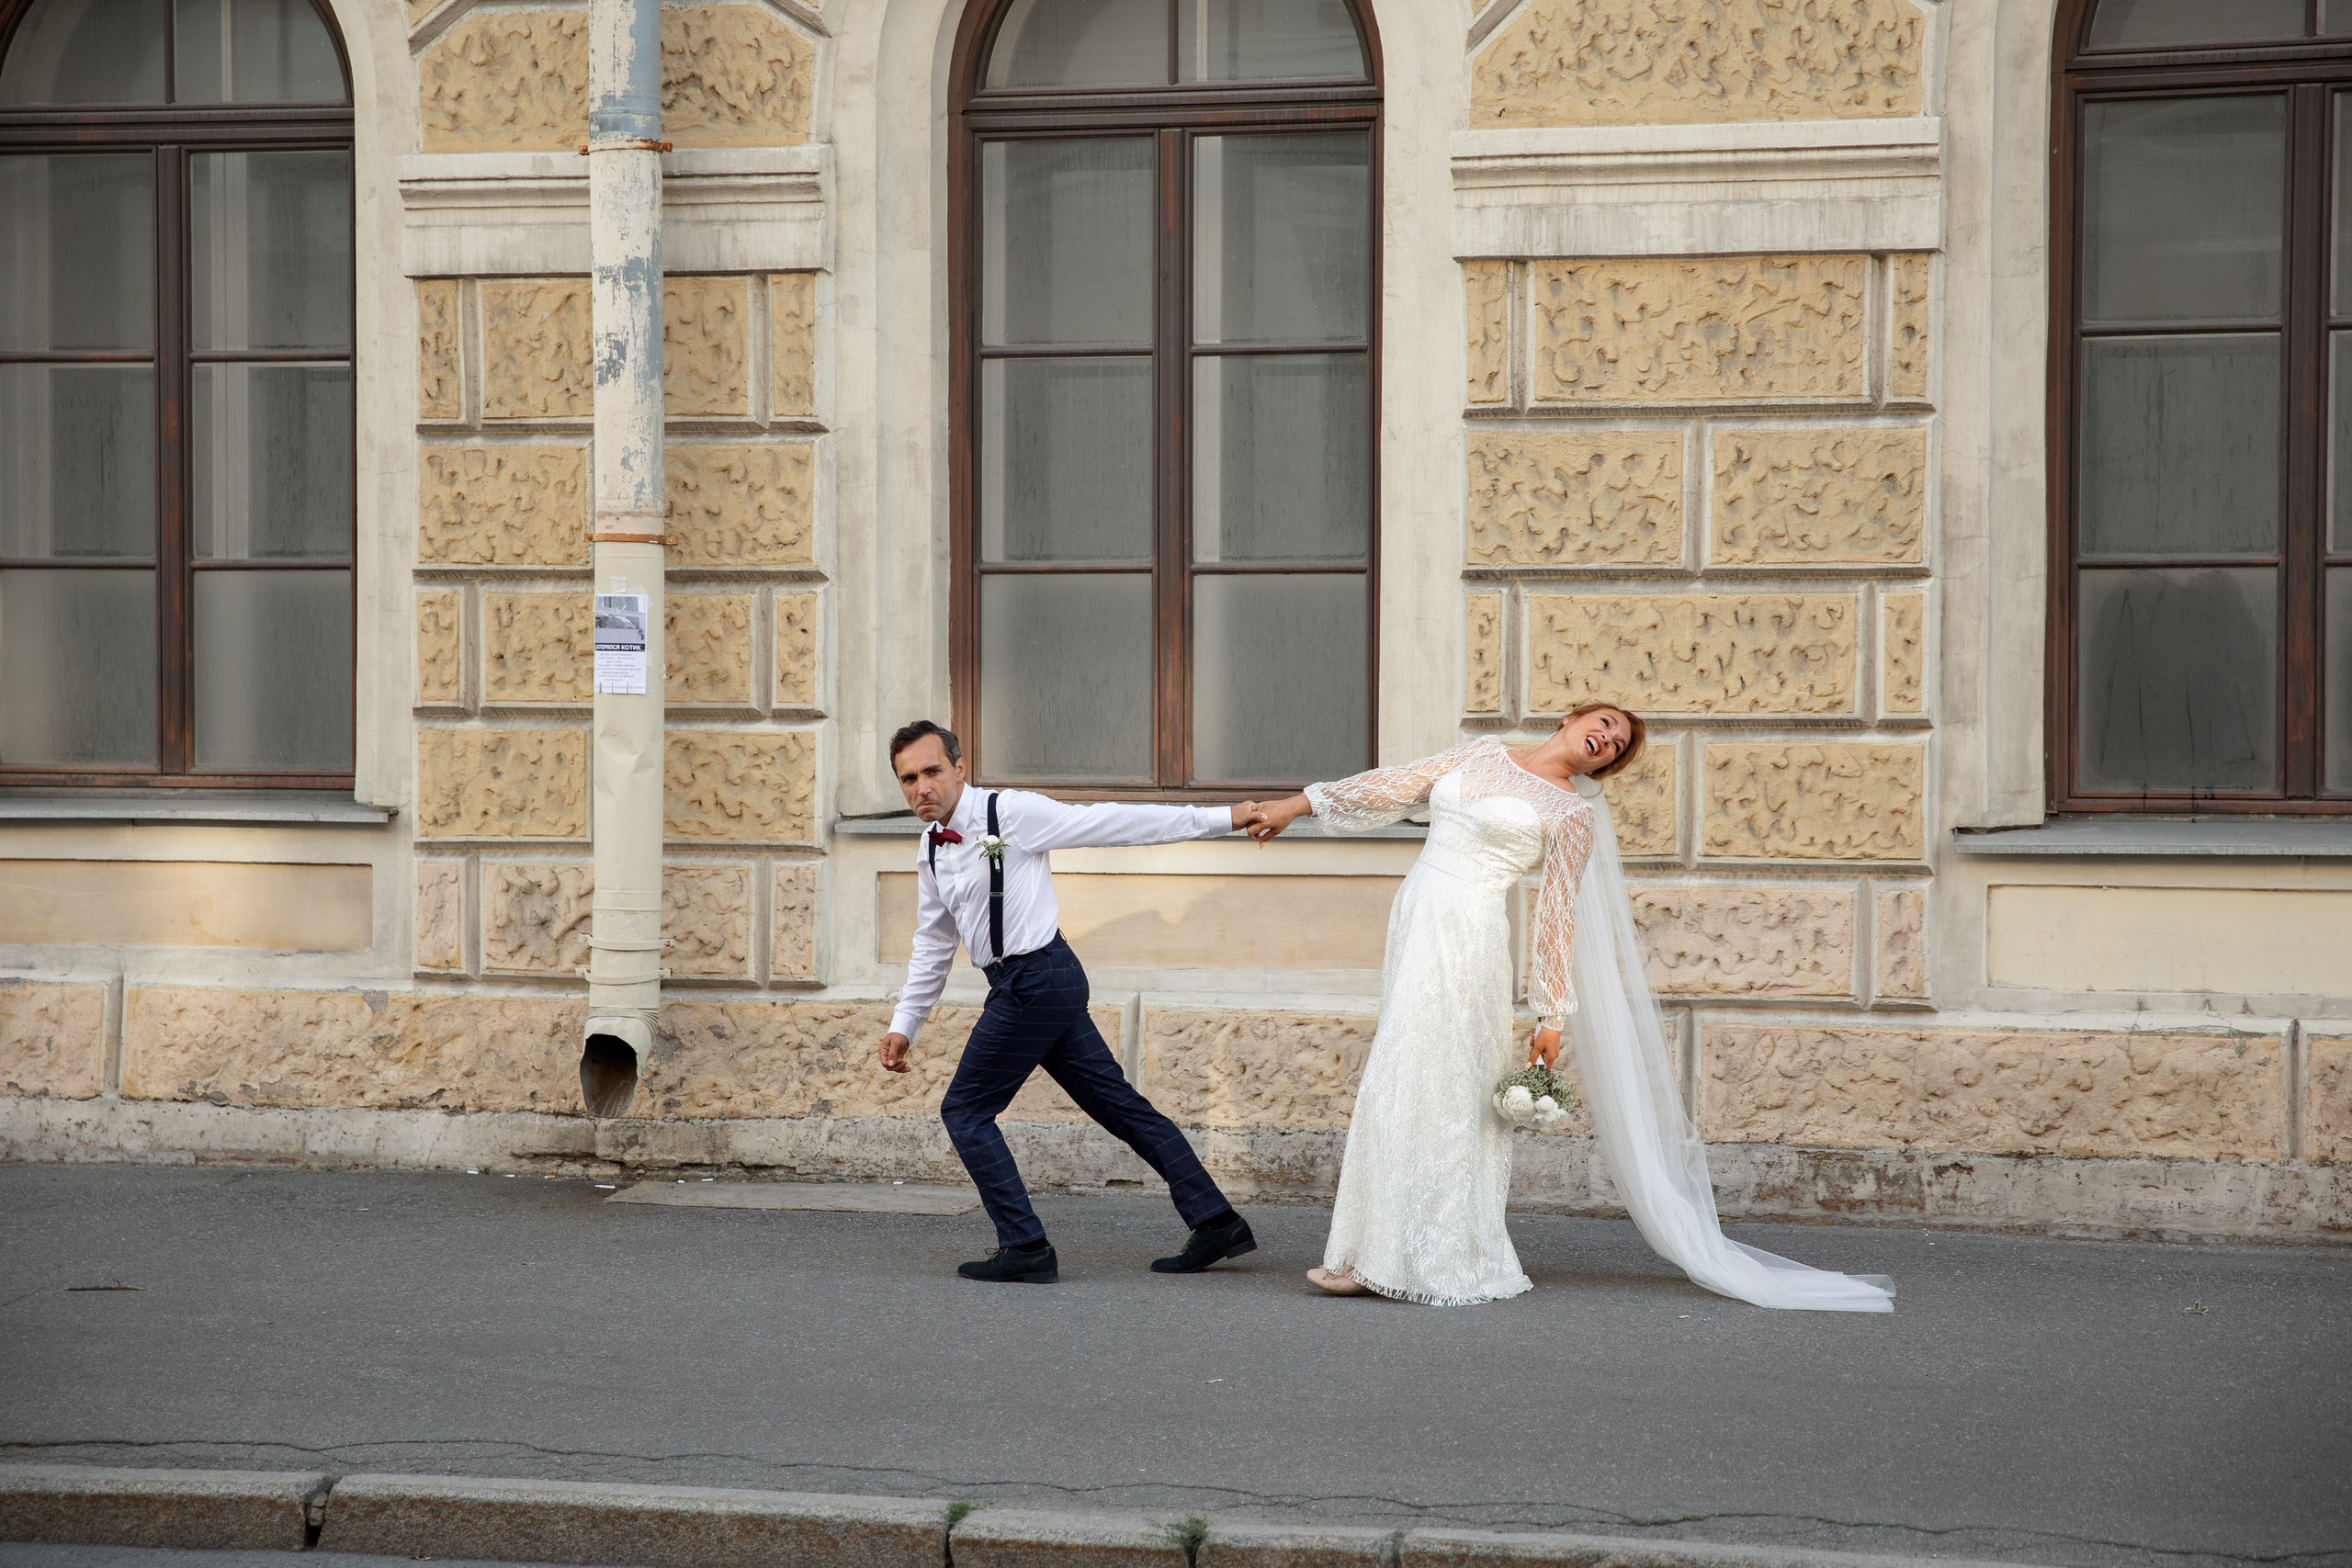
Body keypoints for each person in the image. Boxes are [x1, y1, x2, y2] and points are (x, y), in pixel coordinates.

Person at [1247, 705, 1894, 1312]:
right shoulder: (1479, 755)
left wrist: (1553, 1015)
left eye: (1615, 747)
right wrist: (1297, 804)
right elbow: (1391, 784)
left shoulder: (1569, 814)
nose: (1607, 740)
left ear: (1599, 767)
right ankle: (1372, 1248)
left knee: (1437, 1083)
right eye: (1605, 724)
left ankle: (1427, 1255)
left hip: (1467, 936)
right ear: (1572, 717)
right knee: (1398, 1078)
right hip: (1417, 919)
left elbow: (1558, 916)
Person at [878, 719, 1267, 1284]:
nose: (922, 788)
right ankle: (1217, 1220)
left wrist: (1227, 818)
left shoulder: (1007, 813)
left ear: (960, 768)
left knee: (964, 1111)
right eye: (908, 779)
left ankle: (1026, 1246)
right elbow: (934, 942)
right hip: (1033, 984)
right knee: (1118, 1106)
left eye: (932, 771)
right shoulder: (931, 848)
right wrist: (904, 1024)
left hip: (1037, 980)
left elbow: (1111, 822)